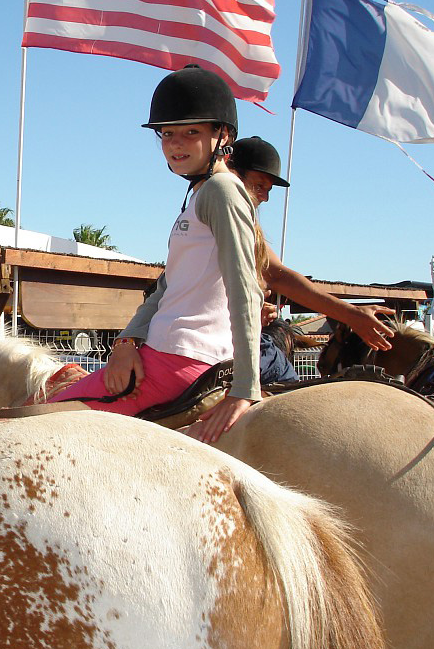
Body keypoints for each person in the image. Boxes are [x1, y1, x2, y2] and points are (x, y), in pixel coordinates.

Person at [51, 65, 262, 444]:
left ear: (223, 134)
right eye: (167, 134)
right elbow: (168, 286)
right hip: (164, 351)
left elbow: (245, 287)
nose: (176, 144)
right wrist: (127, 341)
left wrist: (246, 387)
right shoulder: (200, 193)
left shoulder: (222, 192)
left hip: (183, 356)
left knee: (43, 423)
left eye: (191, 132)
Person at [227, 136, 397, 384]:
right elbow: (276, 275)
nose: (264, 197)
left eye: (268, 189)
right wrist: (351, 314)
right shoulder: (231, 213)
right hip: (230, 339)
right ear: (233, 174)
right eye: (259, 185)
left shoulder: (209, 209)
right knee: (296, 402)